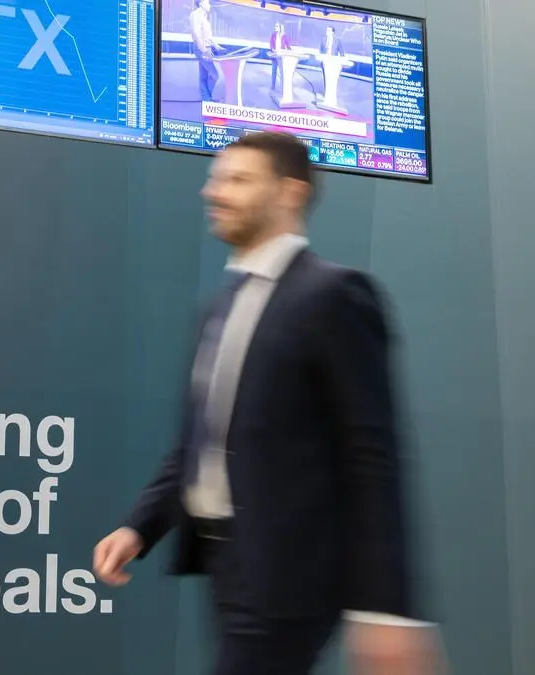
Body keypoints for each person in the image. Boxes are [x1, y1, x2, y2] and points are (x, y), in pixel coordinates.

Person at [92, 132, 446, 675]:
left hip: (290, 576)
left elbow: (371, 457)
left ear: (289, 193)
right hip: (229, 568)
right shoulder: (218, 310)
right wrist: (138, 528)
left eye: (238, 179)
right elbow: (198, 445)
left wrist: (387, 609)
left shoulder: (334, 296)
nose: (214, 192)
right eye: (216, 179)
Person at [189, 0, 222, 103]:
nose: (209, 5)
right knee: (214, 75)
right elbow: (196, 33)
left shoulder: (204, 16)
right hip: (201, 48)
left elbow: (208, 36)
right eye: (207, 2)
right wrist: (204, 50)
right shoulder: (195, 15)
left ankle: (206, 99)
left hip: (207, 47)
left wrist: (216, 46)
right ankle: (207, 99)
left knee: (204, 76)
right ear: (201, 3)